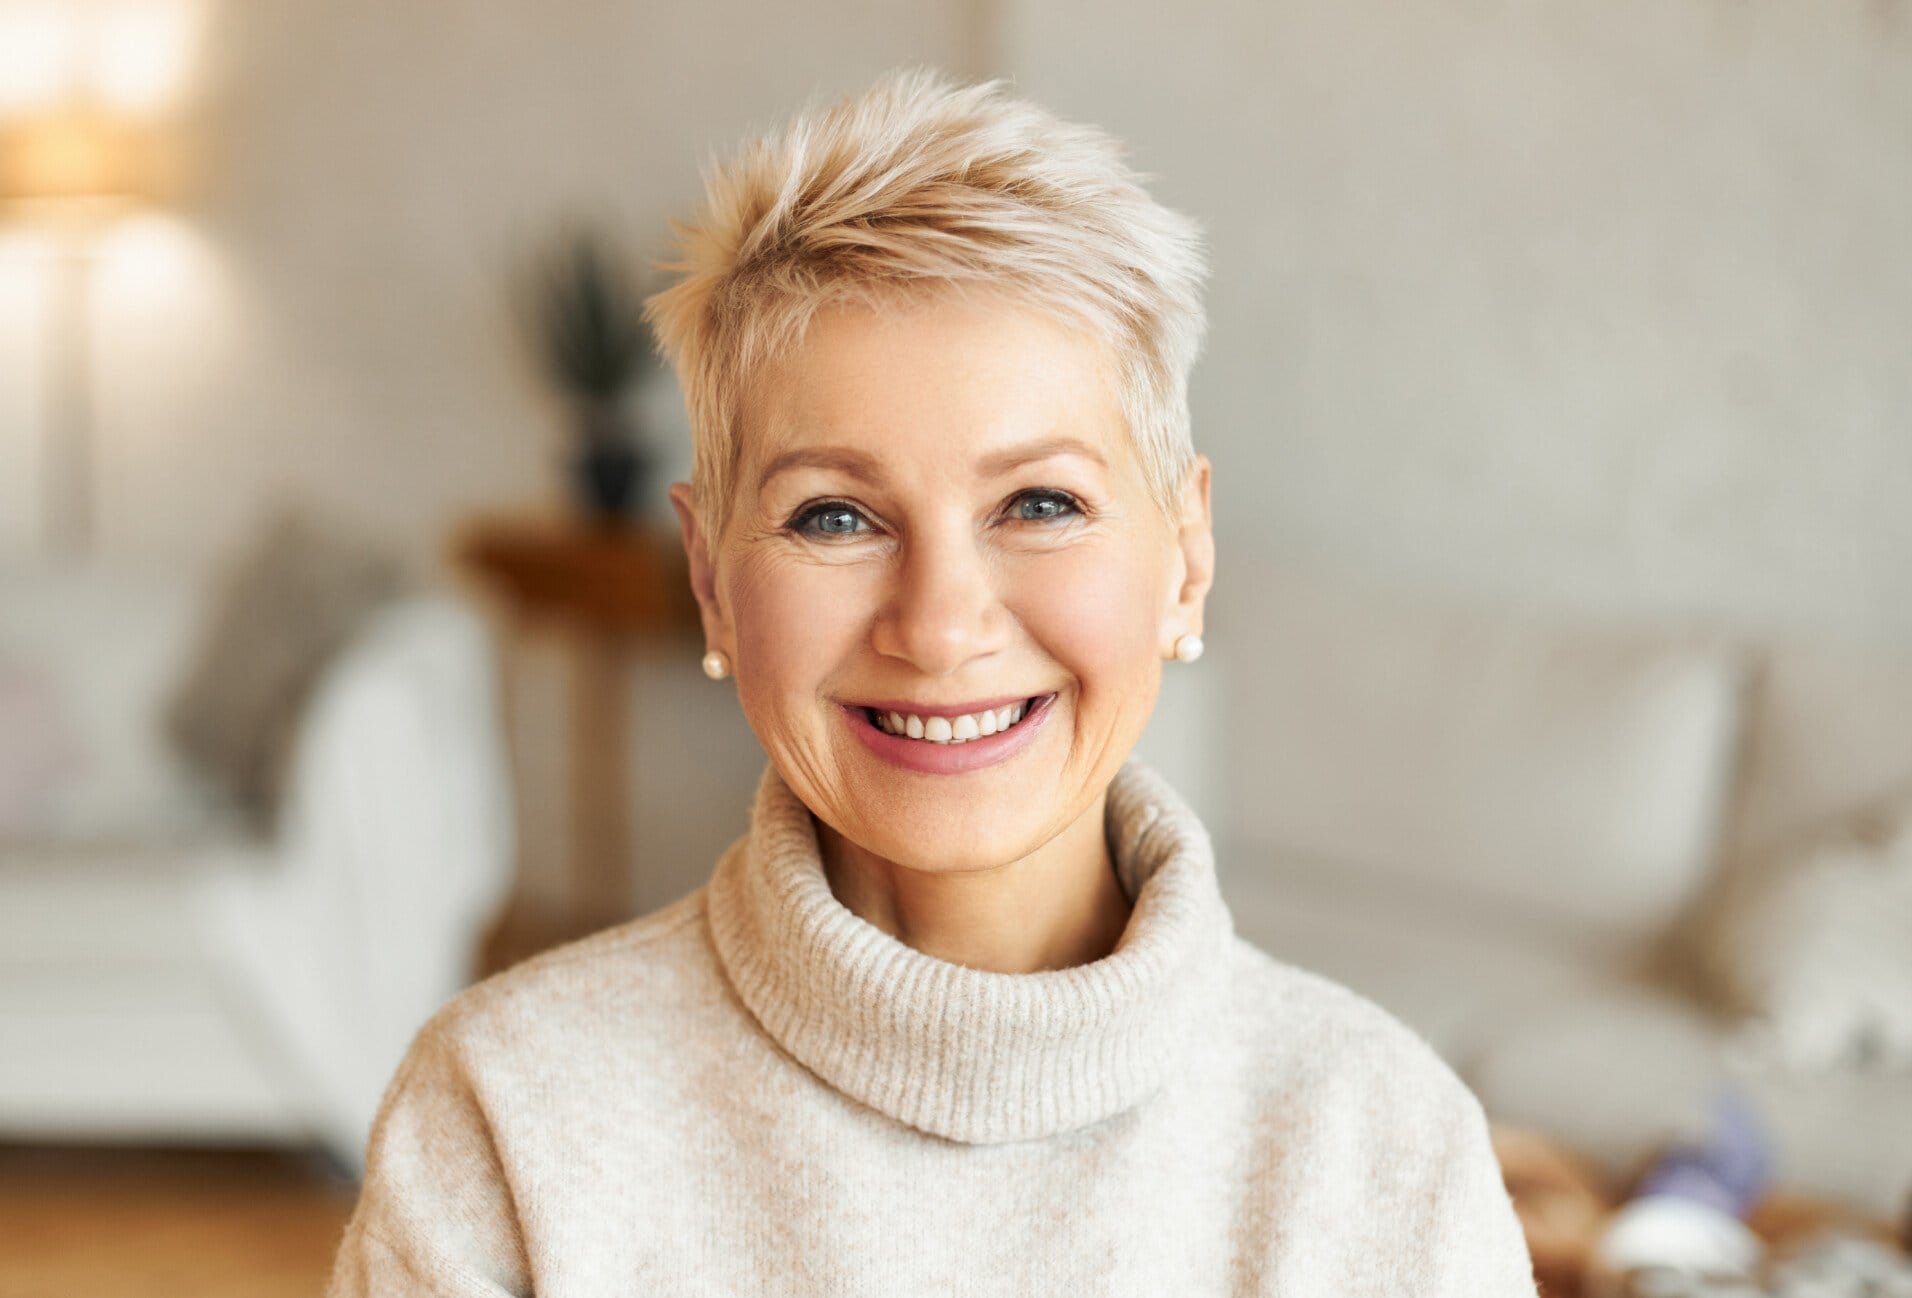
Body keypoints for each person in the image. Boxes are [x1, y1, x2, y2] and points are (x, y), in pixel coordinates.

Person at [324, 65, 1539, 1297]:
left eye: (1041, 502)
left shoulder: (1381, 1148)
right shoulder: (507, 1117)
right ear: (708, 579)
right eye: (837, 515)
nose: (940, 626)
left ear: (1187, 559)